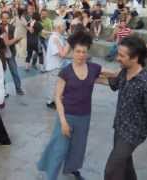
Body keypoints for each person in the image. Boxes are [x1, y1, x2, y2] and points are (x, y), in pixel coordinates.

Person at [37, 30, 115, 180]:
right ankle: (50, 175)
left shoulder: (93, 68)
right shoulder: (65, 72)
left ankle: (72, 168)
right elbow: (58, 98)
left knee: (78, 147)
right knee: (59, 148)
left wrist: (127, 73)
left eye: (84, 52)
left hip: (84, 116)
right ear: (73, 52)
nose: (80, 55)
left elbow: (112, 74)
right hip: (67, 115)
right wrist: (63, 121)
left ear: (87, 52)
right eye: (78, 51)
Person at [104, 35, 147, 180]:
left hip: (134, 133)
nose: (117, 58)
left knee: (111, 171)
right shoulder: (125, 71)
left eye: (122, 55)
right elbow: (114, 84)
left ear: (135, 57)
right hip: (120, 126)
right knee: (125, 166)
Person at [45, 18, 70, 109]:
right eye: (64, 26)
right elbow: (61, 54)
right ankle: (50, 102)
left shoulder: (58, 37)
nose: (65, 28)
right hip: (54, 66)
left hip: (58, 65)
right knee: (53, 85)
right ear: (59, 27)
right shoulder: (54, 38)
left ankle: (55, 101)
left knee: (56, 84)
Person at [1, 12, 25, 95]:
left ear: (9, 19)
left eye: (6, 18)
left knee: (14, 71)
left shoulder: (12, 27)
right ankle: (3, 91)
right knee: (1, 73)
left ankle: (18, 89)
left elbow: (15, 40)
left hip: (10, 52)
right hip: (1, 54)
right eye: (3, 17)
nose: (5, 19)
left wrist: (18, 39)